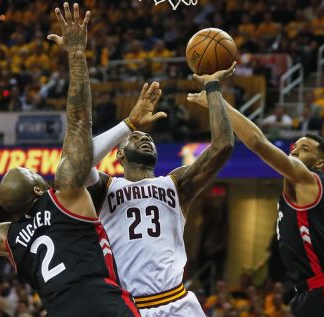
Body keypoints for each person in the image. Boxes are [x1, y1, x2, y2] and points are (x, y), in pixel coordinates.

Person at [0, 3, 144, 316]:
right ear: (38, 189)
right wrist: (76, 54)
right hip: (102, 303)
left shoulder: (8, 237)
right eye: (34, 173)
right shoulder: (64, 194)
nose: (41, 174)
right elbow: (79, 120)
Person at [187, 64, 324, 317]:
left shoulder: (307, 177)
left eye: (304, 149)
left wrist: (217, 98)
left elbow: (257, 142)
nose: (294, 150)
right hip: (310, 293)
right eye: (295, 145)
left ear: (319, 163)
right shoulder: (316, 193)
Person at [88, 63, 236, 317]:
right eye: (136, 138)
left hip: (177, 302)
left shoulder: (175, 184)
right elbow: (77, 161)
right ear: (119, 154)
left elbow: (223, 145)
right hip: (128, 307)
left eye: (149, 139)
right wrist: (129, 125)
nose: (145, 138)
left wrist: (212, 87)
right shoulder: (104, 187)